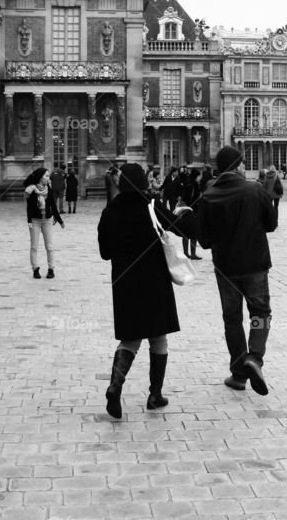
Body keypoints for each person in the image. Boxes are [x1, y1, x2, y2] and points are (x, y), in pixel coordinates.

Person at [175, 146, 278, 396]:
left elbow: (206, 241)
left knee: (232, 319)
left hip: (226, 267)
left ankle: (239, 374)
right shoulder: (255, 189)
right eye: (242, 163)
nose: (244, 167)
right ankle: (254, 357)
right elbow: (271, 224)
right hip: (255, 264)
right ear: (238, 166)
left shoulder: (209, 196)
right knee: (260, 312)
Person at [98, 163, 183, 418]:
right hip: (154, 280)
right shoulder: (151, 206)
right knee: (158, 338)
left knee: (131, 339)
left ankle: (115, 386)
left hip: (125, 282)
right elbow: (179, 227)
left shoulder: (109, 212)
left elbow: (105, 253)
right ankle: (155, 395)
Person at [24, 168, 65, 279]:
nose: (48, 178)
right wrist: (29, 220)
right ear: (41, 177)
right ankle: (35, 269)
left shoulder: (49, 189)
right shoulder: (31, 190)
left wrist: (60, 220)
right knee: (34, 246)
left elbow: (53, 206)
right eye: (46, 176)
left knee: (50, 246)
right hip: (35, 221)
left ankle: (51, 269)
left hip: (47, 220)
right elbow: (29, 207)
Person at [177, 168, 203, 260]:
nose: (200, 178)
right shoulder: (194, 185)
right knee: (193, 233)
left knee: (186, 232)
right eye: (199, 176)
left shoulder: (188, 183)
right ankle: (192, 254)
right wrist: (200, 198)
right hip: (192, 210)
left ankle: (186, 253)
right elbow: (192, 199)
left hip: (186, 210)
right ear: (196, 176)